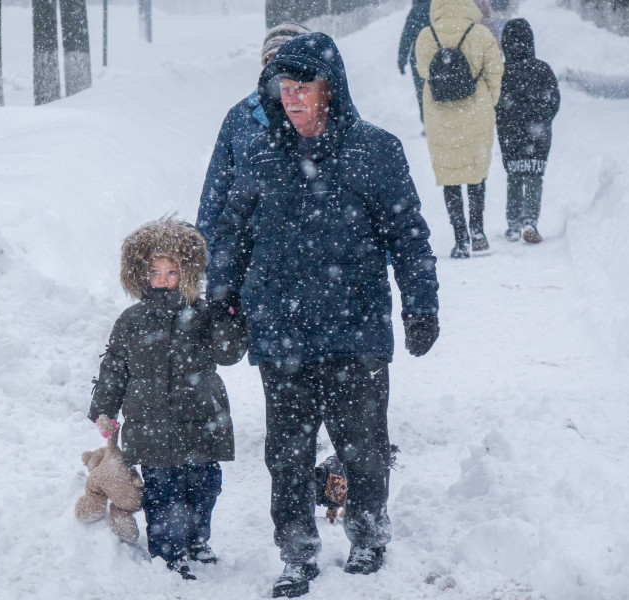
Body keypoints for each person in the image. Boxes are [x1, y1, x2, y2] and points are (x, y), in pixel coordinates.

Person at [207, 33, 440, 598]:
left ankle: (367, 535)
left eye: (302, 88)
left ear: (329, 90)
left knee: (362, 445)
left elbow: (409, 236)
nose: (291, 99)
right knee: (285, 455)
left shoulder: (375, 151)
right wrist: (222, 301)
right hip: (281, 331)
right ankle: (297, 553)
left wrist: (421, 303)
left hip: (354, 327)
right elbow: (229, 235)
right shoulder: (259, 155)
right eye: (283, 89)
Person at [88, 218, 248, 581]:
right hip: (152, 424)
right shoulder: (131, 321)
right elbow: (114, 367)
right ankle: (168, 552)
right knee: (164, 493)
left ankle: (196, 540)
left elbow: (229, 353)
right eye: (154, 272)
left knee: (206, 486)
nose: (162, 280)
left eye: (171, 272)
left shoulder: (205, 314)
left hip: (202, 420)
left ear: (187, 273)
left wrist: (230, 314)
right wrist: (103, 409)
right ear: (141, 274)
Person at [196, 22, 310, 245]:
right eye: (271, 60)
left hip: (311, 253)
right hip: (248, 253)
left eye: (287, 60)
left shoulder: (329, 114)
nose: (278, 69)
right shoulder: (240, 117)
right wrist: (205, 255)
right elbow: (216, 193)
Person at [415, 0, 504, 258]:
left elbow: (423, 70)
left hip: (439, 115)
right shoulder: (480, 34)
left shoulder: (426, 35)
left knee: (450, 176)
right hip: (476, 112)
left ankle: (460, 239)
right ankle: (478, 233)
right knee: (476, 173)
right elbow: (495, 72)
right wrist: (490, 100)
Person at [495, 18, 560, 244]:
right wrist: (541, 121)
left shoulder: (501, 72)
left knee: (514, 176)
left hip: (510, 134)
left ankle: (513, 225)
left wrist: (505, 121)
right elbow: (554, 101)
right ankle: (530, 221)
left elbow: (495, 104)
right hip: (537, 133)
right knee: (533, 176)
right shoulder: (543, 69)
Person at [397, 0, 432, 124]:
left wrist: (402, 59)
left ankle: (426, 121)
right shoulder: (437, 7)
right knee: (437, 87)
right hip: (436, 57)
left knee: (422, 91)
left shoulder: (415, 12)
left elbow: (406, 36)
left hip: (418, 57)